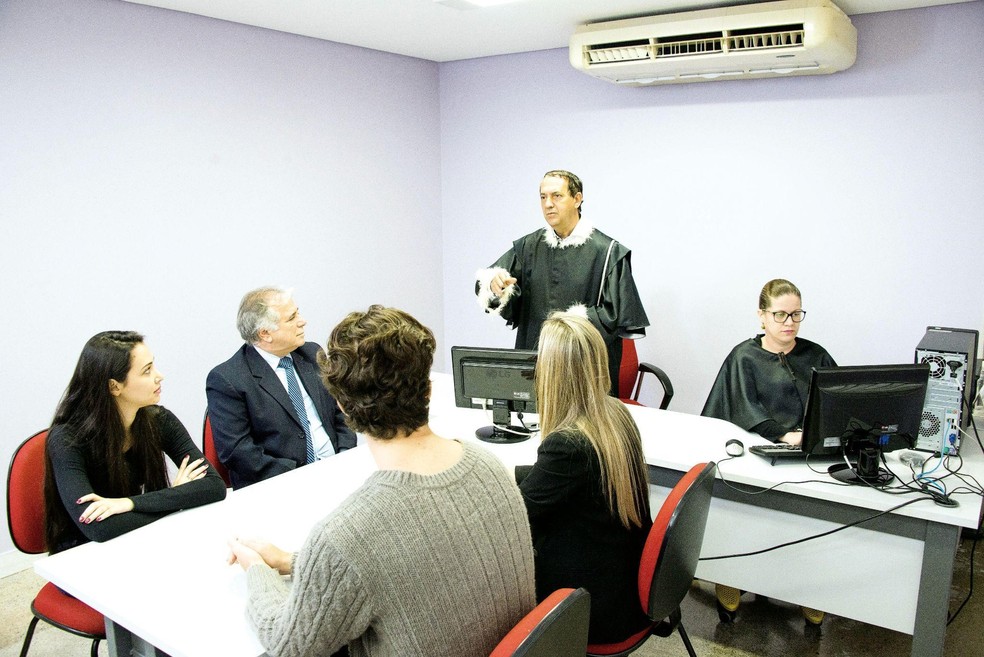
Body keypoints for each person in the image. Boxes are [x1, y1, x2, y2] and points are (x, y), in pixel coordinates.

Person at [227, 305, 536, 657]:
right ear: (428, 391)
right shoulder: (488, 465)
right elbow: (394, 567)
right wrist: (293, 562)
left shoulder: (346, 535)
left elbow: (288, 646)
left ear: (342, 407)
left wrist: (258, 572)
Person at [701, 278, 835, 624]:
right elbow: (744, 409)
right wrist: (783, 436)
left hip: (807, 453)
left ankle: (807, 588)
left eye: (796, 314)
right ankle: (729, 577)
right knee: (743, 514)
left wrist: (809, 436)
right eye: (780, 315)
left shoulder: (816, 354)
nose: (789, 322)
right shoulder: (744, 356)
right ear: (762, 316)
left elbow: (836, 400)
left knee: (813, 515)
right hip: (754, 452)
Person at [517, 312, 652, 644]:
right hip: (622, 592)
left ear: (550, 375)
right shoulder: (615, 414)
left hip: (591, 614)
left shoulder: (567, 446)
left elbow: (516, 518)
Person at [44, 331, 227, 555]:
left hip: (140, 539)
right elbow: (99, 527)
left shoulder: (159, 420)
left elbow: (214, 487)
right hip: (84, 553)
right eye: (146, 371)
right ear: (114, 387)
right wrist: (179, 497)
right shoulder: (66, 439)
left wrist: (129, 504)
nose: (160, 376)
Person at [475, 169, 649, 394]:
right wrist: (494, 286)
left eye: (557, 196)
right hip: (536, 364)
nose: (548, 204)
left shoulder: (607, 252)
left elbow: (615, 314)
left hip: (585, 370)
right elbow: (491, 284)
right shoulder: (529, 247)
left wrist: (570, 325)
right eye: (543, 197)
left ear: (577, 199)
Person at [206, 286, 357, 489]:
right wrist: (304, 477)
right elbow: (238, 452)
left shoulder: (312, 354)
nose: (302, 321)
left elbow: (341, 413)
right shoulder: (228, 379)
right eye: (291, 318)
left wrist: (344, 457)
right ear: (265, 333)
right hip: (280, 486)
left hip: (338, 473)